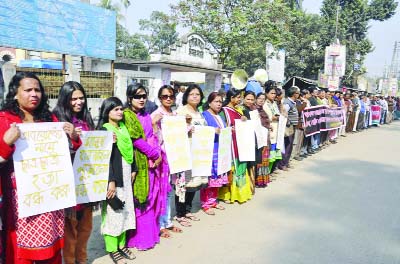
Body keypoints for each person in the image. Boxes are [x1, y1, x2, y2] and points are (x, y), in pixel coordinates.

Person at [0, 72, 81, 263]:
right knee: (19, 251)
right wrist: (5, 143)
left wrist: (74, 138)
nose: (34, 94)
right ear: (15, 93)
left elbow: (65, 153)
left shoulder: (50, 119)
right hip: (19, 201)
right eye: (28, 90)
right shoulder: (4, 120)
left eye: (37, 90)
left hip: (49, 196)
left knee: (52, 249)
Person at [52, 81, 95, 264]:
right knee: (70, 227)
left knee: (86, 225)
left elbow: (94, 146)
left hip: (87, 179)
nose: (78, 102)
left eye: (81, 98)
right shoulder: (55, 120)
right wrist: (71, 138)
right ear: (65, 99)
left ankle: (82, 258)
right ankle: (70, 260)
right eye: (73, 99)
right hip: (68, 181)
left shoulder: (86, 119)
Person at [97, 97, 137, 264]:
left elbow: (130, 149)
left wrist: (134, 169)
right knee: (114, 212)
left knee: (125, 210)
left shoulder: (122, 128)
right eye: (115, 109)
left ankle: (121, 244)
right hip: (114, 177)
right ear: (107, 112)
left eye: (121, 109)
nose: (120, 112)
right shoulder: (104, 131)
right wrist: (110, 180)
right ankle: (112, 248)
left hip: (126, 175)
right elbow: (104, 159)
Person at [124, 84, 163, 250]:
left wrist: (157, 153)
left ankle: (150, 235)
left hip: (151, 163)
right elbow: (136, 140)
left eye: (143, 96)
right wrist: (154, 154)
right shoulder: (127, 115)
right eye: (137, 96)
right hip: (137, 162)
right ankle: (139, 239)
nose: (141, 99)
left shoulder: (146, 115)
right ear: (129, 98)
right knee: (140, 199)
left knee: (151, 196)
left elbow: (152, 135)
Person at [150, 85, 183, 236]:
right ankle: (160, 224)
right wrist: (154, 125)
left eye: (171, 96)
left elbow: (177, 136)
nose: (168, 99)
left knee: (169, 190)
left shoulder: (175, 114)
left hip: (174, 157)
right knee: (161, 191)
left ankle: (167, 221)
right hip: (161, 158)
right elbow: (151, 138)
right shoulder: (156, 115)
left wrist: (187, 127)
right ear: (160, 98)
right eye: (165, 96)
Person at [175, 84, 207, 224]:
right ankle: (180, 213)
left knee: (194, 182)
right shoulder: (181, 111)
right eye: (192, 94)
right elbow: (173, 132)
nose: (195, 96)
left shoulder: (199, 112)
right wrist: (185, 126)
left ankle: (187, 210)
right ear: (186, 96)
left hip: (198, 153)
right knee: (183, 183)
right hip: (185, 152)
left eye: (197, 94)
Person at [218, 89, 253, 204]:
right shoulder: (224, 111)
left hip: (240, 143)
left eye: (240, 97)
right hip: (230, 144)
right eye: (237, 97)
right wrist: (229, 129)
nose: (239, 100)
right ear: (231, 98)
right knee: (231, 168)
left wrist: (244, 119)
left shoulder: (239, 109)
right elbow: (222, 127)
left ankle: (241, 193)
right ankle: (228, 194)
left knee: (241, 167)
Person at [200, 92, 228, 215]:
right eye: (216, 101)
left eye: (220, 102)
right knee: (209, 177)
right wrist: (212, 131)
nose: (219, 104)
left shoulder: (220, 116)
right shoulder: (204, 115)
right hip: (210, 150)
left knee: (217, 177)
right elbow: (200, 131)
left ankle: (213, 200)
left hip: (220, 150)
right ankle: (205, 203)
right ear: (210, 102)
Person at [263, 86, 282, 175]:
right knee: (269, 153)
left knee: (274, 153)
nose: (273, 95)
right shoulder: (265, 104)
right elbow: (271, 117)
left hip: (277, 128)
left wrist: (278, 117)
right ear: (266, 94)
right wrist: (277, 117)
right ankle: (265, 173)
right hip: (269, 129)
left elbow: (278, 114)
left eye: (274, 93)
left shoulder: (274, 103)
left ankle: (269, 173)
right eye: (271, 93)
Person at [254, 92, 271, 187]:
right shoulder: (253, 110)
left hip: (265, 138)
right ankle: (257, 180)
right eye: (259, 98)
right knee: (259, 160)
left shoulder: (263, 110)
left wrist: (269, 126)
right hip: (258, 139)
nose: (261, 100)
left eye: (263, 99)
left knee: (264, 159)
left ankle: (262, 180)